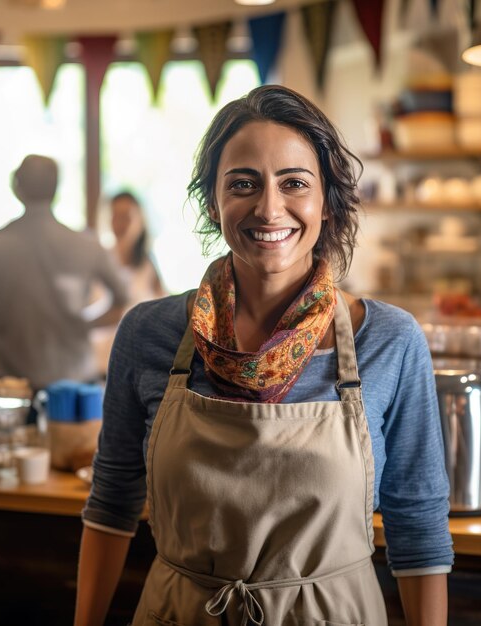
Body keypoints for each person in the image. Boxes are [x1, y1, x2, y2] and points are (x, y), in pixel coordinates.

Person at [75, 86, 453, 626]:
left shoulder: (389, 340)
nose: (268, 207)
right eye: (243, 184)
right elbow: (111, 502)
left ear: (328, 200)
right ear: (213, 201)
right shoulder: (147, 333)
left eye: (294, 183)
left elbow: (417, 529)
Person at [0, 154, 129, 391]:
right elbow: (122, 300)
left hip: (7, 389)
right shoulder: (86, 245)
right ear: (56, 188)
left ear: (17, 188)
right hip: (73, 384)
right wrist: (83, 324)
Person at [91, 191, 165, 375]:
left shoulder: (148, 266)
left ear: (140, 220)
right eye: (115, 216)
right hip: (100, 366)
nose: (120, 223)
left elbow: (163, 312)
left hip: (137, 365)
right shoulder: (99, 260)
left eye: (126, 216)